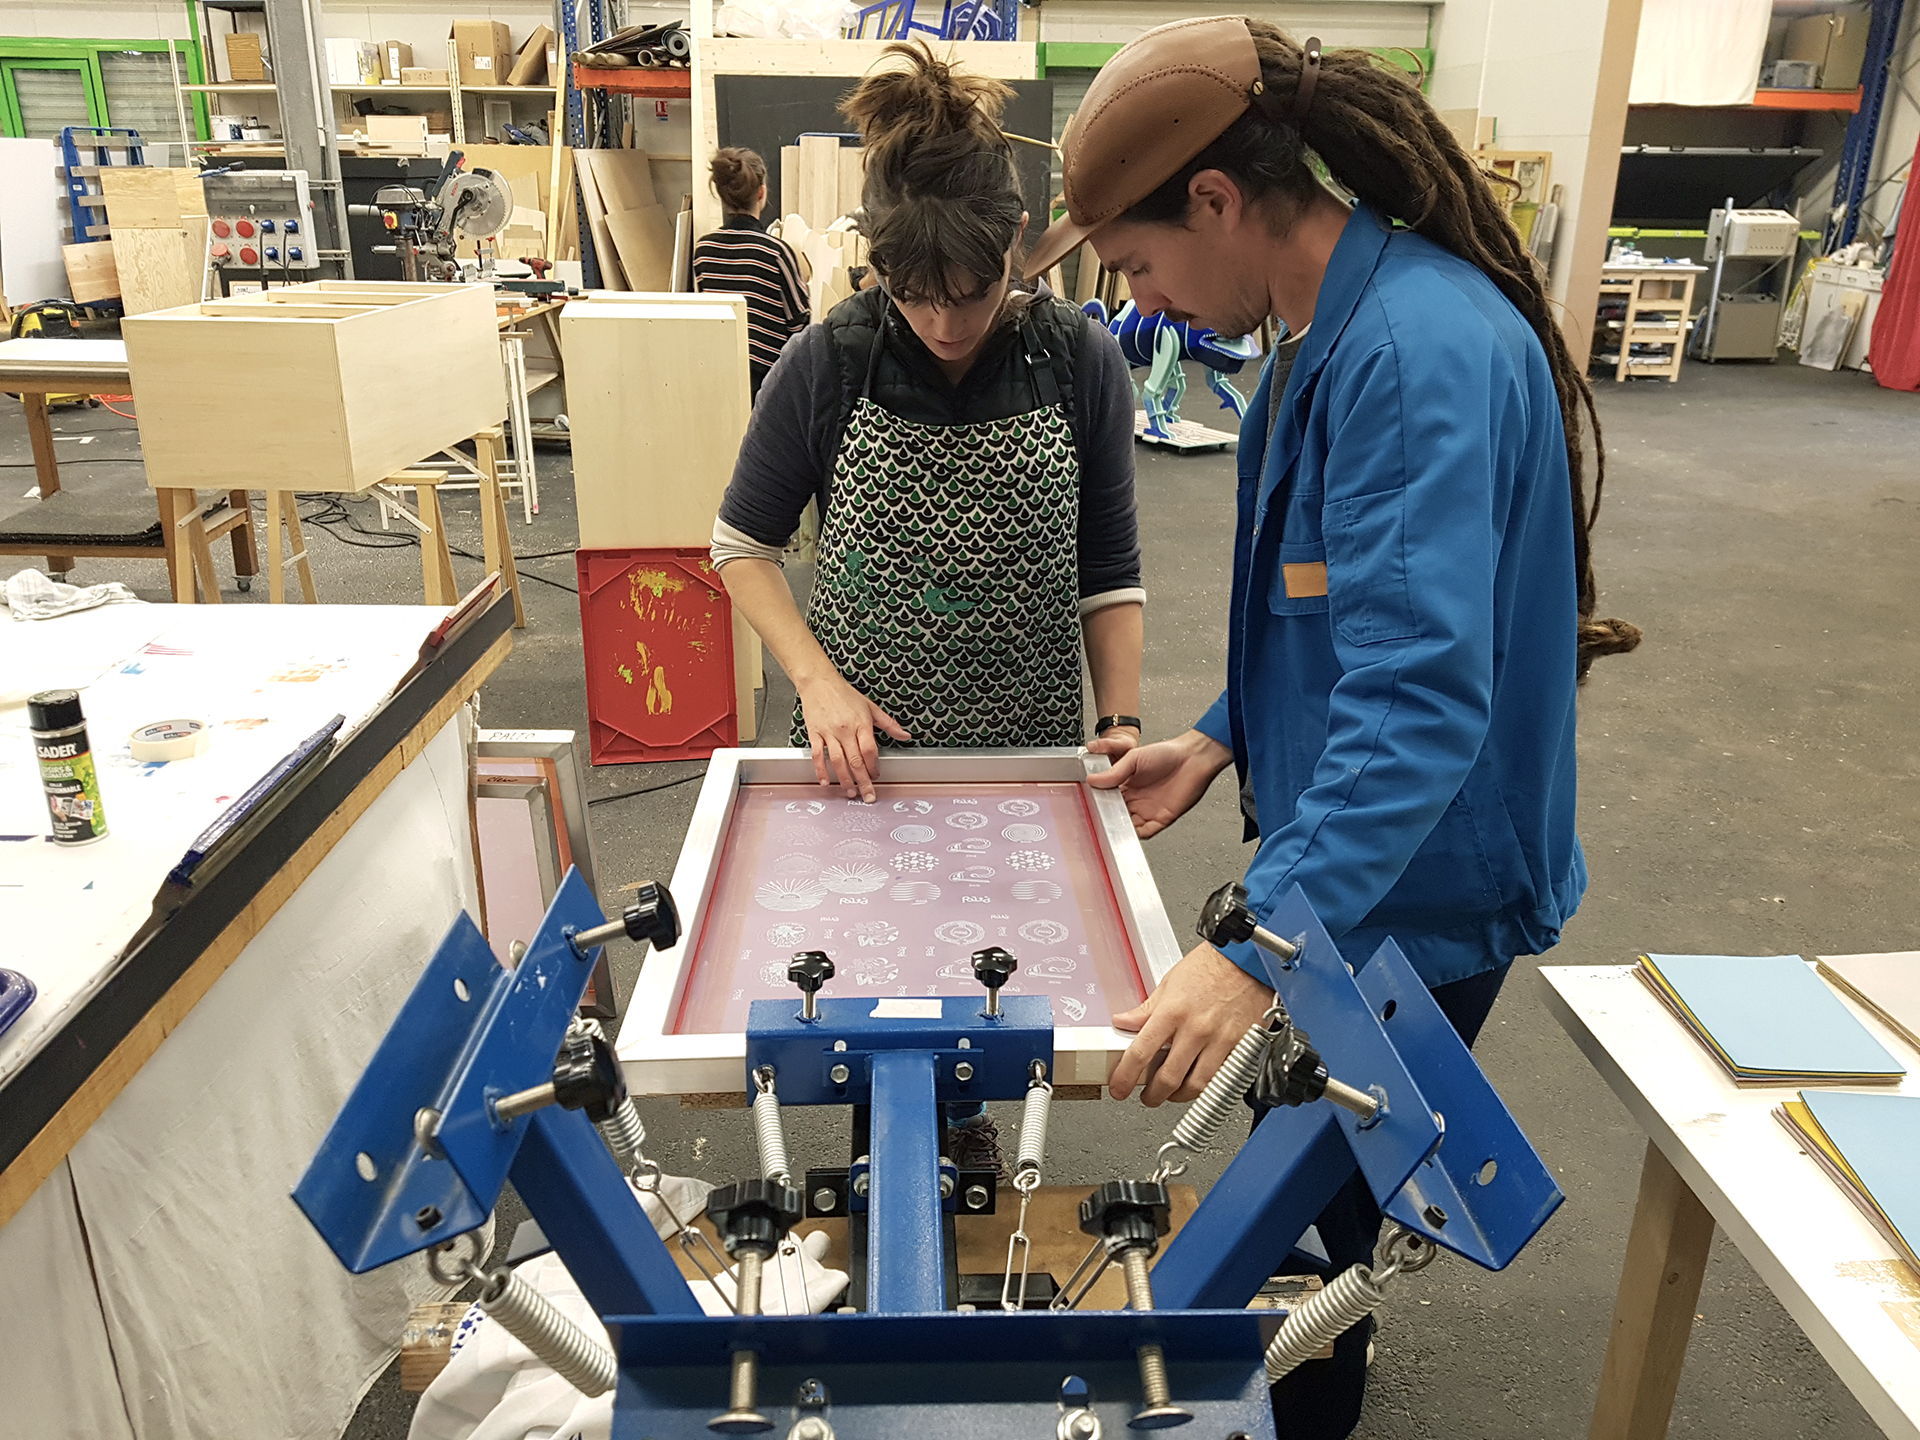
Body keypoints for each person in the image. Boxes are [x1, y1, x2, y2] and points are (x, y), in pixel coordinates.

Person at [1021, 17, 1641, 1436]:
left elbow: (1419, 695)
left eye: (1140, 265)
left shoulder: (1409, 357)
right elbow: (1340, 607)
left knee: (1300, 1241)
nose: (1152, 302)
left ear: (1221, 202)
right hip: (1352, 876)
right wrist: (1225, 730)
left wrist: (1257, 948)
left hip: (1408, 894)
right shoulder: (1325, 331)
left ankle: (1297, 1413)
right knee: (1300, 1212)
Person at [710, 44, 1146, 804]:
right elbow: (742, 548)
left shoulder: (1079, 359)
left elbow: (1107, 573)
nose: (944, 324)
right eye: (912, 294)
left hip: (1030, 761)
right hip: (860, 763)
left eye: (973, 293)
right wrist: (817, 684)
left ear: (1016, 240)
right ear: (877, 259)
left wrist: (1120, 720)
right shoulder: (830, 360)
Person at [692, 146, 810, 399]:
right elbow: (800, 321)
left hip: (720, 374)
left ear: (721, 196)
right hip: (769, 381)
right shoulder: (776, 251)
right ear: (762, 193)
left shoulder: (703, 249)